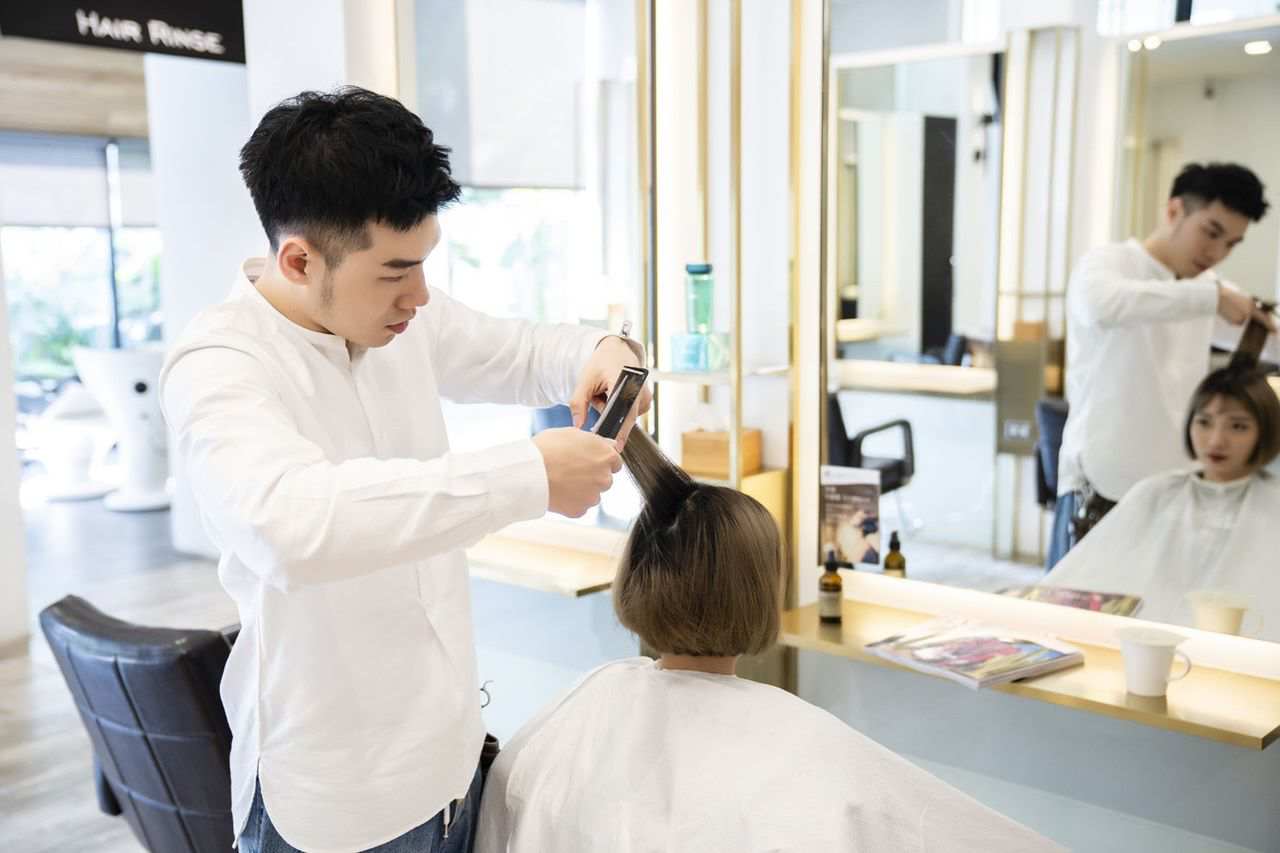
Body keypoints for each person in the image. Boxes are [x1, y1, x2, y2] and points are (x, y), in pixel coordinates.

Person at [159, 87, 651, 853]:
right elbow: (290, 526)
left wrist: (602, 352)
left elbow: (523, 352)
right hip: (334, 804)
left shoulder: (400, 316)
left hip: (451, 766)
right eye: (396, 271)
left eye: (423, 264)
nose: (420, 295)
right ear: (298, 259)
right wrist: (527, 476)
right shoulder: (219, 364)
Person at [475, 430, 1062, 852]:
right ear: (759, 591)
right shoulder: (810, 750)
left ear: (637, 579)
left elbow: (506, 814)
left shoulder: (582, 707)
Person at [1049, 162, 1276, 568]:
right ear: (1174, 211)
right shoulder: (1108, 264)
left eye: (1231, 244)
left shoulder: (1208, 289)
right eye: (1211, 232)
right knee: (1073, 605)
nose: (1217, 253)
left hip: (1174, 495)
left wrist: (1220, 301)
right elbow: (1102, 305)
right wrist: (1211, 299)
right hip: (1100, 488)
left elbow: (1268, 341)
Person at [1046, 366, 1280, 639]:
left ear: (1266, 431)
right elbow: (1085, 573)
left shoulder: (1272, 503)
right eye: (1204, 422)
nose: (1217, 440)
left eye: (1238, 426)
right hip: (1147, 642)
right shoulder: (1155, 493)